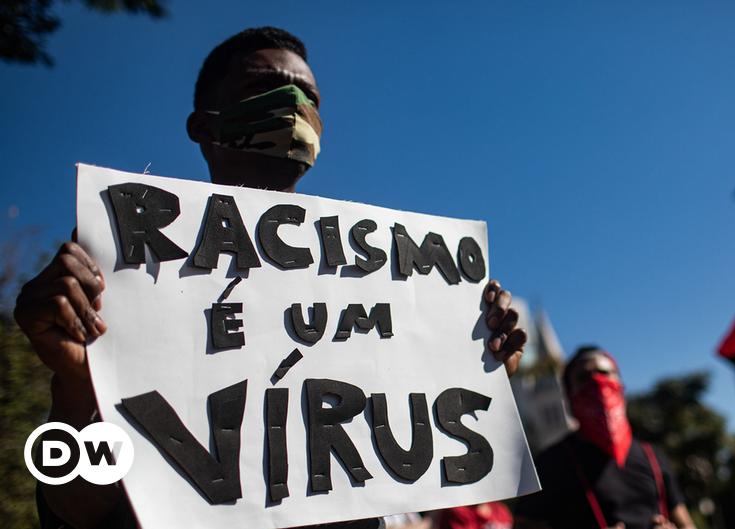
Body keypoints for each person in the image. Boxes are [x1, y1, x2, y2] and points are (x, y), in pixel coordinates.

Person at [13, 27, 527, 529]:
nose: (293, 105)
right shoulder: (128, 268)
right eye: (263, 88)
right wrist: (78, 385)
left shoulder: (388, 281)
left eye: (309, 96)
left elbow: (430, 472)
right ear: (203, 126)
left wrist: (479, 369)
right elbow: (78, 512)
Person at [514, 346, 696, 529]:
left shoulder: (653, 457)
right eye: (584, 378)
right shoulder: (550, 464)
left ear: (621, 387)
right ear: (569, 397)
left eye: (605, 373)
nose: (597, 382)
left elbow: (686, 523)